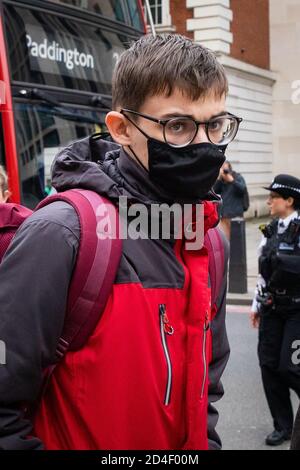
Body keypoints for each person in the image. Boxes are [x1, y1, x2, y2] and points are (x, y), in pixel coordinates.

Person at [0, 34, 241, 450]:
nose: (204, 145)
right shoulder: (64, 233)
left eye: (216, 124)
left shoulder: (210, 242)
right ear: (122, 129)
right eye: (178, 126)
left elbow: (206, 387)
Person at [250, 174, 300, 446]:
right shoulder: (270, 230)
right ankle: (283, 426)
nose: (269, 201)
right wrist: (257, 305)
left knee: (290, 367)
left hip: (296, 310)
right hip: (271, 306)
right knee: (269, 367)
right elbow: (263, 274)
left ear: (289, 201)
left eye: (274, 197)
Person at [214, 160, 248, 240]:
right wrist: (219, 179)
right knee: (225, 240)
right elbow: (214, 192)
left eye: (225, 167)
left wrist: (232, 181)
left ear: (230, 168)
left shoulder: (237, 177)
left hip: (235, 216)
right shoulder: (221, 181)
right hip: (224, 215)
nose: (223, 169)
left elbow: (243, 189)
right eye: (221, 167)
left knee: (236, 241)